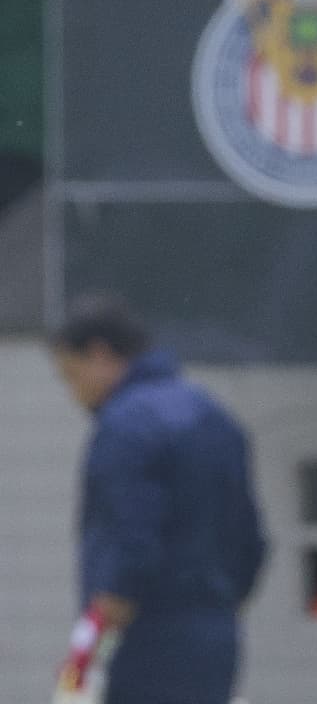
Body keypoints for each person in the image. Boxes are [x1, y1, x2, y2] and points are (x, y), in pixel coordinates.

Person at [49, 293, 268, 704]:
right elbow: (252, 544)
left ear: (100, 354)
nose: (74, 394)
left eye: (72, 376)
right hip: (216, 639)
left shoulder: (125, 426)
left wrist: (85, 657)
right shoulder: (216, 418)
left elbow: (130, 551)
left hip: (145, 645)